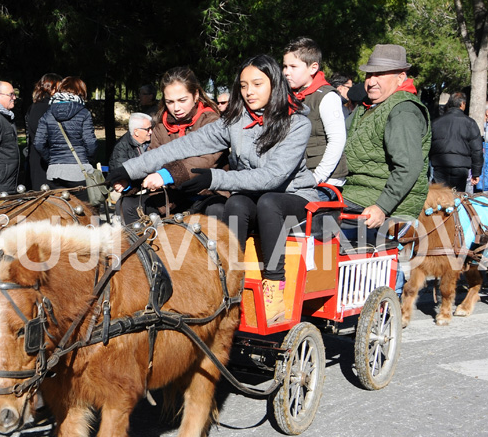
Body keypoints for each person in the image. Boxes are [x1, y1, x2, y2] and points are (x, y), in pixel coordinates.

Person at [109, 55, 316, 325]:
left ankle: (275, 287)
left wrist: (212, 178)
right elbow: (183, 146)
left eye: (257, 84)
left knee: (267, 202)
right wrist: (130, 170)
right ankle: (231, 285)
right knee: (236, 204)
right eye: (243, 86)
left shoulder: (297, 123)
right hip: (250, 196)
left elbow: (272, 178)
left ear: (275, 84)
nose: (249, 92)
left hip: (293, 197)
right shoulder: (235, 122)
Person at [343, 44, 430, 269]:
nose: (371, 81)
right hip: (356, 193)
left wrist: (382, 207)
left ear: (401, 77)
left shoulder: (403, 111)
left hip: (382, 204)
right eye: (369, 74)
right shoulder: (367, 107)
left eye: (380, 74)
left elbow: (409, 167)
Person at [122, 66, 222, 219]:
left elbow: (205, 160)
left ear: (195, 95)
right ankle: (142, 243)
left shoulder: (211, 121)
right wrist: (130, 182)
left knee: (217, 210)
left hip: (207, 191)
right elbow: (151, 159)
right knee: (128, 206)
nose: (176, 108)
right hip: (173, 194)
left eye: (182, 100)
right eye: (170, 102)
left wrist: (167, 175)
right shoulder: (161, 125)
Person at [282, 36, 347, 198]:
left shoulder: (326, 96)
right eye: (284, 66)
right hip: (298, 178)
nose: (286, 72)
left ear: (313, 68)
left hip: (326, 181)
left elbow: (337, 140)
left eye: (293, 67)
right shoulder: (289, 97)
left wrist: (317, 177)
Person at [33, 77, 98, 202]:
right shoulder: (84, 113)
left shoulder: (48, 113)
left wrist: (51, 159)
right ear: (81, 92)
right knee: (87, 214)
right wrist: (87, 159)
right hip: (79, 172)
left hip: (55, 172)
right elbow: (90, 143)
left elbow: (39, 143)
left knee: (58, 214)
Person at [428, 92, 482, 192]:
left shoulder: (436, 123)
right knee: (458, 197)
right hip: (461, 167)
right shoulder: (470, 123)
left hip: (440, 166)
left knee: (440, 198)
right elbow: (477, 150)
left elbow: (428, 146)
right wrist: (476, 173)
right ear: (462, 104)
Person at [25, 73, 62, 190]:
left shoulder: (37, 105)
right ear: (52, 87)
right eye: (59, 87)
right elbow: (43, 137)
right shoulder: (45, 107)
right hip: (43, 161)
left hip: (38, 158)